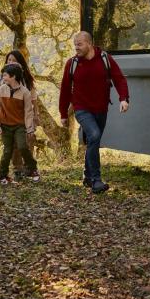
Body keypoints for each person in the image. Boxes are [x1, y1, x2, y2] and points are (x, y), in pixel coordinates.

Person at [58, 31, 130, 194]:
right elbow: (65, 89)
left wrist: (123, 98)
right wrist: (63, 113)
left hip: (101, 108)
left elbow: (119, 79)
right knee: (95, 135)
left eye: (79, 44)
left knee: (93, 140)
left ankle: (87, 176)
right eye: (75, 44)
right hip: (81, 108)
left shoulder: (105, 59)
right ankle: (96, 180)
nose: (76, 47)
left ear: (89, 44)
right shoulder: (72, 63)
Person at [0, 63, 39, 184]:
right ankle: (2, 176)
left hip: (19, 125)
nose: (3, 78)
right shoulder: (1, 89)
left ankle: (32, 169)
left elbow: (28, 112)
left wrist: (30, 129)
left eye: (5, 75)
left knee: (23, 146)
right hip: (4, 125)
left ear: (13, 77)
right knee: (7, 151)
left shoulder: (25, 93)